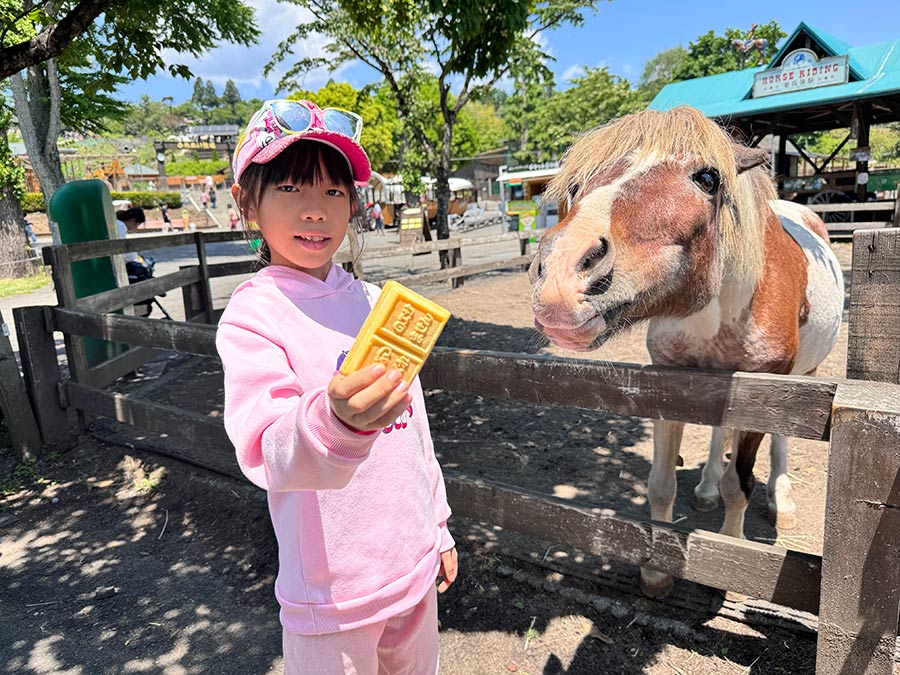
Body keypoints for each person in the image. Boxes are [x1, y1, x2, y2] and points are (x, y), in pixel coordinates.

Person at [216, 99, 457, 675]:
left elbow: (415, 431)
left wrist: (440, 527)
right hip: (332, 593)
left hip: (412, 564)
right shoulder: (255, 316)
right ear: (249, 203)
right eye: (292, 189)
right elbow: (264, 447)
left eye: (332, 193)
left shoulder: (375, 304)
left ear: (353, 205)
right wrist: (335, 421)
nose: (315, 211)